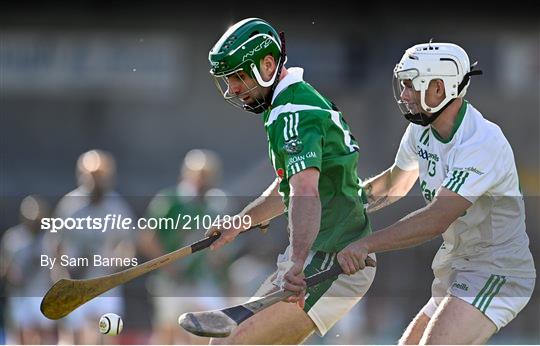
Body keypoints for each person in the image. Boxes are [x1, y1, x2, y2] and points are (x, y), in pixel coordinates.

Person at [336, 42, 536, 344]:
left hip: (497, 270)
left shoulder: (481, 142)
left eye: (411, 86)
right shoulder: (421, 129)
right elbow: (394, 184)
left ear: (439, 89)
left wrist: (365, 245)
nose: (403, 95)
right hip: (457, 267)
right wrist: (343, 206)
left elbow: (436, 219)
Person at [204, 18, 376, 344]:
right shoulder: (287, 104)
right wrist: (241, 222)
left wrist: (296, 263)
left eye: (238, 77)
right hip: (321, 254)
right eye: (228, 80)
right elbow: (289, 187)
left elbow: (305, 192)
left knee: (232, 341)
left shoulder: (294, 111)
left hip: (332, 258)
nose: (233, 89)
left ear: (268, 64)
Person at [138, 149, 230, 344]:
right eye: (200, 175)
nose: (203, 181)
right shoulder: (170, 200)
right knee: (168, 332)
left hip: (200, 278)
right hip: (172, 279)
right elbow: (147, 237)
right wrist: (168, 264)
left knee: (210, 327)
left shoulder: (216, 204)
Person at [51, 149, 136, 344]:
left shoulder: (117, 207)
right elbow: (55, 243)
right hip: (75, 282)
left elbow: (128, 245)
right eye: (91, 175)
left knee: (110, 334)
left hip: (104, 284)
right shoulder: (69, 206)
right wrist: (60, 276)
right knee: (76, 337)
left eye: (100, 175)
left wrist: (118, 264)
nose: (95, 180)